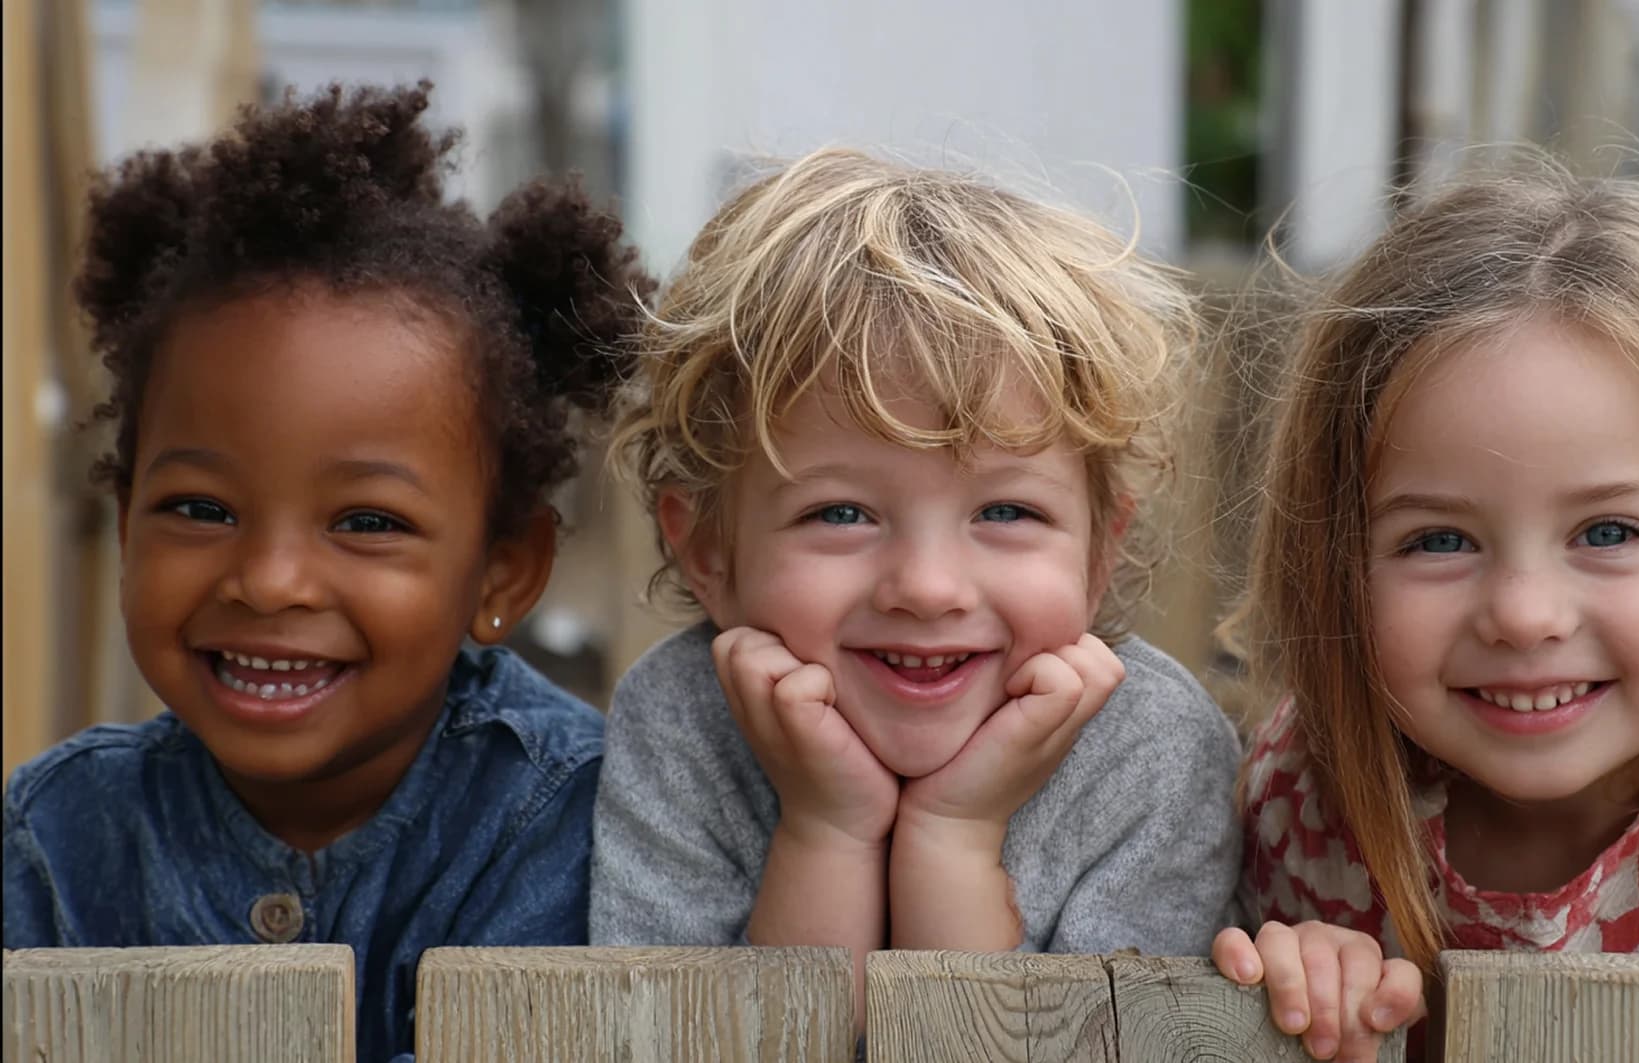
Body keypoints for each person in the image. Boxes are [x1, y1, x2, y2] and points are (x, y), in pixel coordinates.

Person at [2, 82, 655, 1063]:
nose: (268, 581)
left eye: (365, 521)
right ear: (126, 517)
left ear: (502, 575)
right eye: (199, 509)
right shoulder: (55, 837)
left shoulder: (574, 822)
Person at [1208, 158, 1639, 1061]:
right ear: (1338, 575)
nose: (1525, 615)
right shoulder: (1307, 800)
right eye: (1440, 541)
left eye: (1608, 531)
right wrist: (1291, 989)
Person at [590, 148, 1243, 1020]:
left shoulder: (1155, 753)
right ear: (709, 553)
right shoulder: (679, 723)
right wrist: (826, 829)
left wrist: (953, 839)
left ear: (1099, 554)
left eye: (1006, 513)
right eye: (842, 515)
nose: (928, 588)